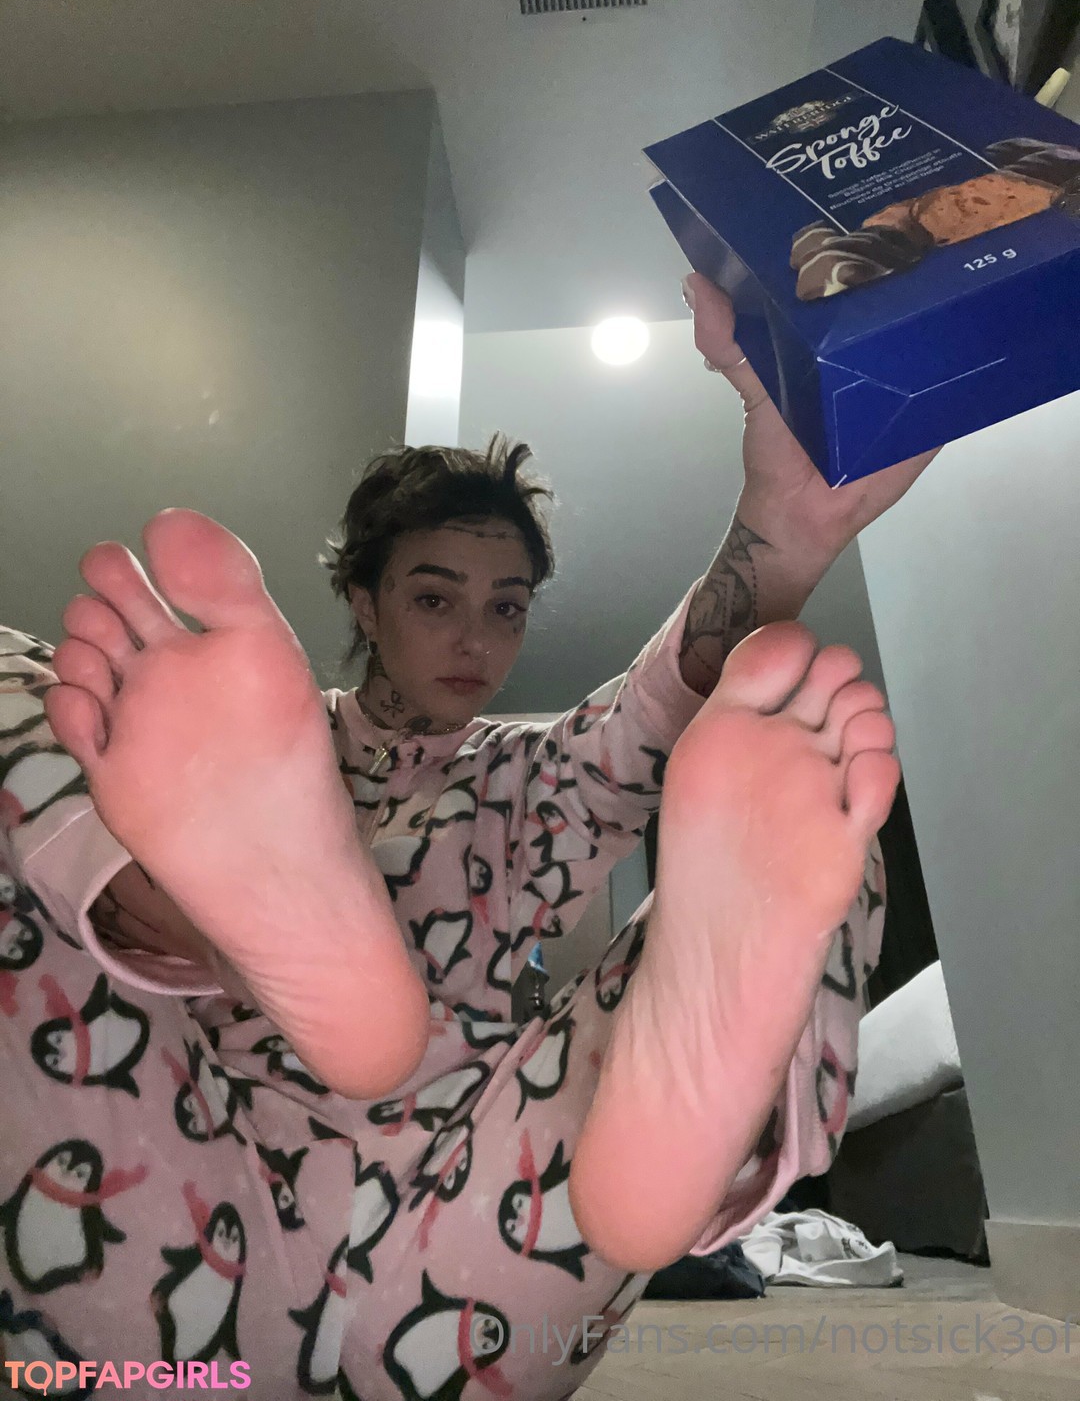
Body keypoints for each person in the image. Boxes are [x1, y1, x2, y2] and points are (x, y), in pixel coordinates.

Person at [0, 276, 930, 1400]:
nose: (476, 638)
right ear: (364, 601)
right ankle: (190, 925)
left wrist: (788, 524)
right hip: (177, 1208)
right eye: (435, 598)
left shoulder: (526, 776)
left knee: (799, 800)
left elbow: (649, 717)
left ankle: (649, 1155)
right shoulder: (214, 747)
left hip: (478, 1225)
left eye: (507, 606)